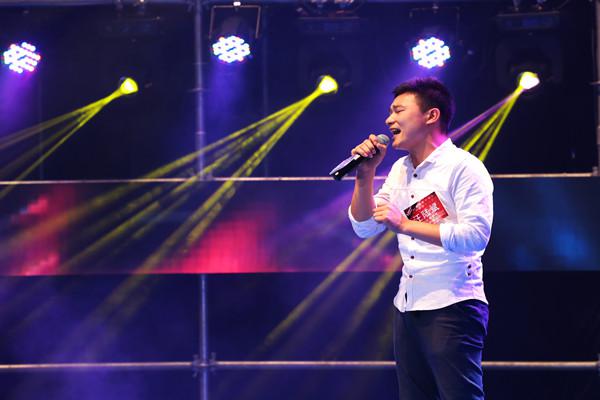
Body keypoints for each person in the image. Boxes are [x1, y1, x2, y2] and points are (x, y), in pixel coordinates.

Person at [348, 77, 493, 400]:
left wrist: (404, 224)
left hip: (453, 304)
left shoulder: (464, 168)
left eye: (398, 110)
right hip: (408, 304)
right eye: (389, 112)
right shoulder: (400, 169)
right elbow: (365, 226)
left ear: (431, 115)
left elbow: (475, 237)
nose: (389, 120)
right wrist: (365, 176)